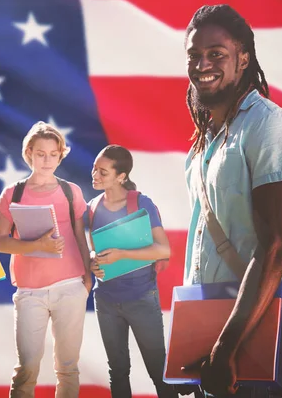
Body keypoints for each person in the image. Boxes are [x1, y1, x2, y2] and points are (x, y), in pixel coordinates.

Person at [182, 4, 282, 398]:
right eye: (194, 55)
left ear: (243, 58)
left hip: (250, 335)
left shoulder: (267, 125)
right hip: (207, 330)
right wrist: (192, 340)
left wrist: (226, 348)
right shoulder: (207, 138)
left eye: (216, 53)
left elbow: (276, 247)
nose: (203, 63)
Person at [0, 121, 92, 398]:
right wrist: (37, 245)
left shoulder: (71, 192)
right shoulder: (13, 193)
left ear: (61, 155)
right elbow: (0, 241)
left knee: (68, 368)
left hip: (71, 286)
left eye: (53, 154)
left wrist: (86, 278)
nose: (47, 160)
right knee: (27, 367)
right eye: (40, 154)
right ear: (29, 154)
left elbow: (79, 235)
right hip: (29, 291)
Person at [87, 145, 176, 398]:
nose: (95, 174)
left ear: (121, 177)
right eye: (95, 168)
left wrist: (123, 254)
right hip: (105, 299)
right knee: (117, 371)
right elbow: (93, 250)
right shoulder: (91, 207)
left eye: (102, 171)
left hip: (141, 297)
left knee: (159, 369)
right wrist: (93, 261)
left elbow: (163, 249)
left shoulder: (141, 202)